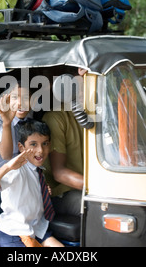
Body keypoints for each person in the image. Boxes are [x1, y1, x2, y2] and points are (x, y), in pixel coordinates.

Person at [0, 119, 63, 247]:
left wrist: (44, 191)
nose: (40, 150)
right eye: (33, 144)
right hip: (15, 232)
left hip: (37, 229)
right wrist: (7, 167)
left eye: (45, 143)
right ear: (21, 147)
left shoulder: (39, 171)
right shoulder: (16, 170)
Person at [41, 68, 87, 217]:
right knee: (92, 207)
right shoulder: (56, 118)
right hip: (65, 192)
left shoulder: (96, 115)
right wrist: (100, 187)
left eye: (85, 88)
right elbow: (59, 173)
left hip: (92, 187)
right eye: (76, 89)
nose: (80, 93)